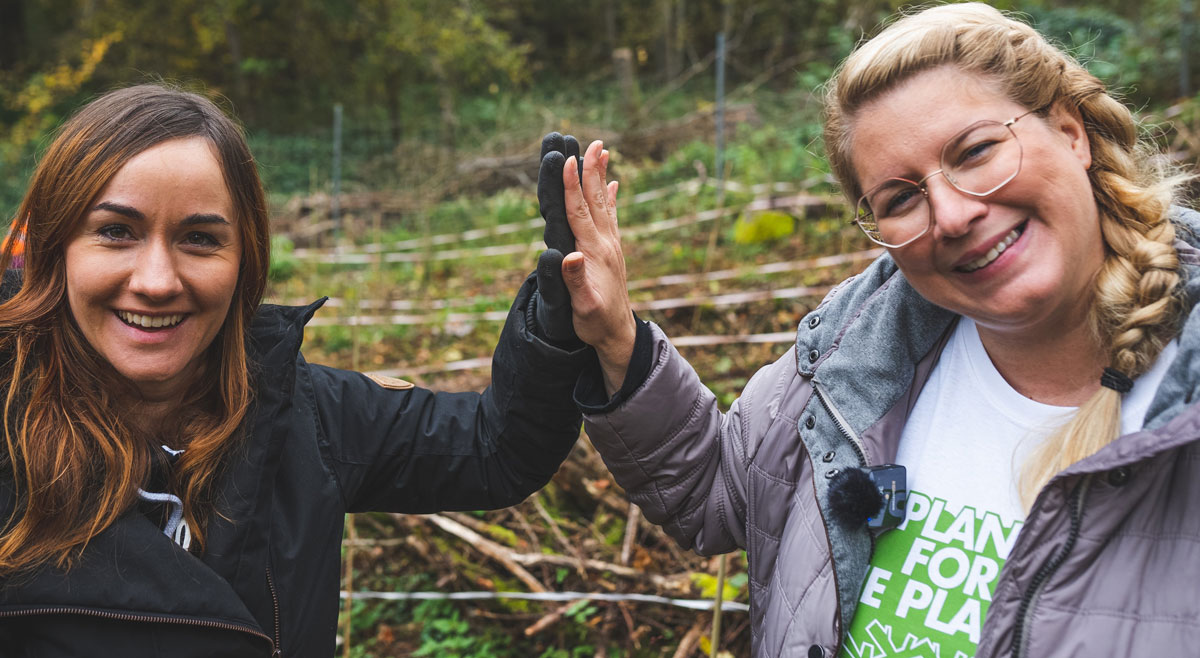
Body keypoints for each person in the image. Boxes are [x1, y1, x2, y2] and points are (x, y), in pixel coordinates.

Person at [539, 4, 1200, 657]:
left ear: (1069, 131)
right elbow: (720, 489)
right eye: (901, 199)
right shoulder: (858, 351)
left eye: (975, 152)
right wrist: (614, 333)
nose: (951, 215)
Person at [0, 84, 589, 657]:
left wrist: (557, 322)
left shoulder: (304, 415)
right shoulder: (10, 440)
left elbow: (497, 447)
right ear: (57, 251)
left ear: (245, 262)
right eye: (115, 232)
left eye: (200, 238)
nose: (157, 281)